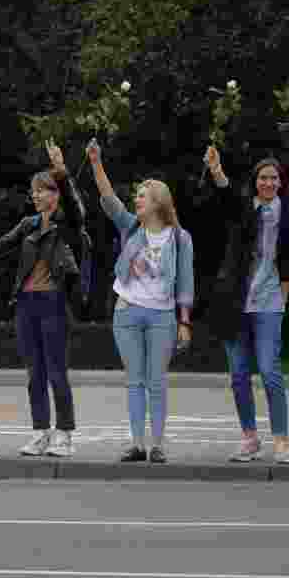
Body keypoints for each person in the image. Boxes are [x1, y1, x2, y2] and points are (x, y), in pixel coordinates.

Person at [0, 141, 85, 457]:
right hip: (26, 305)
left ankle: (64, 434)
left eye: (42, 190)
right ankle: (41, 433)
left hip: (54, 303)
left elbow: (77, 208)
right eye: (33, 191)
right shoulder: (28, 225)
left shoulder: (67, 224)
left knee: (57, 372)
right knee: (34, 374)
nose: (35, 195)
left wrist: (61, 173)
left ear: (55, 195)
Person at [202, 147, 289, 464]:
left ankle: (281, 441)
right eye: (263, 178)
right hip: (236, 302)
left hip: (269, 303)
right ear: (255, 182)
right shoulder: (244, 209)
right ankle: (249, 438)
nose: (268, 183)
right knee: (239, 374)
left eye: (274, 178)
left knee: (269, 370)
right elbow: (225, 196)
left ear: (280, 183)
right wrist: (216, 169)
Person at [89, 141, 195, 464]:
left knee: (156, 380)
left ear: (158, 202)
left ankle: (158, 445)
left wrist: (185, 322)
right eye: (136, 196)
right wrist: (96, 163)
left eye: (142, 195)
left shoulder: (179, 238)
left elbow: (186, 283)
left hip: (162, 315)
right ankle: (137, 444)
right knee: (134, 380)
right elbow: (108, 200)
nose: (136, 200)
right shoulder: (131, 226)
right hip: (127, 312)